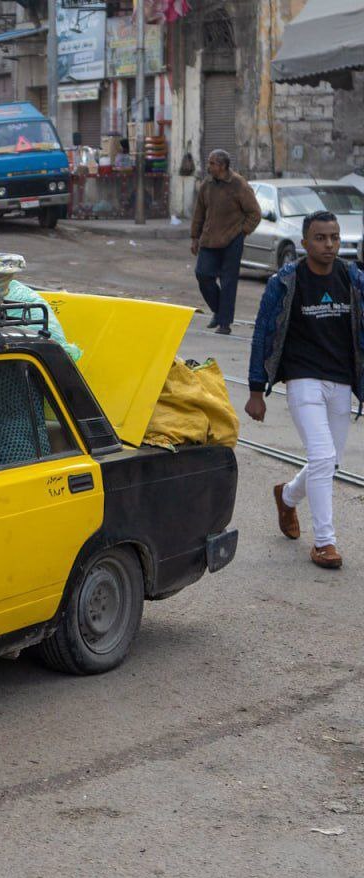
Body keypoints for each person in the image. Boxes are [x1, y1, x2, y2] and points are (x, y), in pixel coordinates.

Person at [246, 210, 364, 570]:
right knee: (323, 457)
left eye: (334, 237)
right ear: (304, 243)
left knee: (328, 461)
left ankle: (288, 495)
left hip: (341, 379)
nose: (329, 245)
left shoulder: (352, 278)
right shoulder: (285, 282)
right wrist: (255, 390)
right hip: (302, 378)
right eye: (320, 238)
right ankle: (325, 543)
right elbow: (263, 333)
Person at [190, 149, 260, 335]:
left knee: (228, 282)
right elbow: (199, 212)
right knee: (203, 275)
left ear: (222, 166)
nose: (208, 166)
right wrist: (194, 237)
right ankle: (219, 311)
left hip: (232, 240)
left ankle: (225, 323)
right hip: (209, 239)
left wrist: (242, 232)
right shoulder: (207, 185)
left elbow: (255, 213)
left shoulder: (239, 185)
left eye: (212, 163)